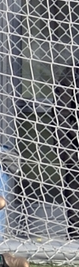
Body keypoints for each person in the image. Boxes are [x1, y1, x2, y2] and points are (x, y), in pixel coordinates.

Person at [54, 66, 79, 239]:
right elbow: (60, 114)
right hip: (74, 146)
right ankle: (76, 236)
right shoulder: (72, 74)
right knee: (74, 190)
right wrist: (65, 148)